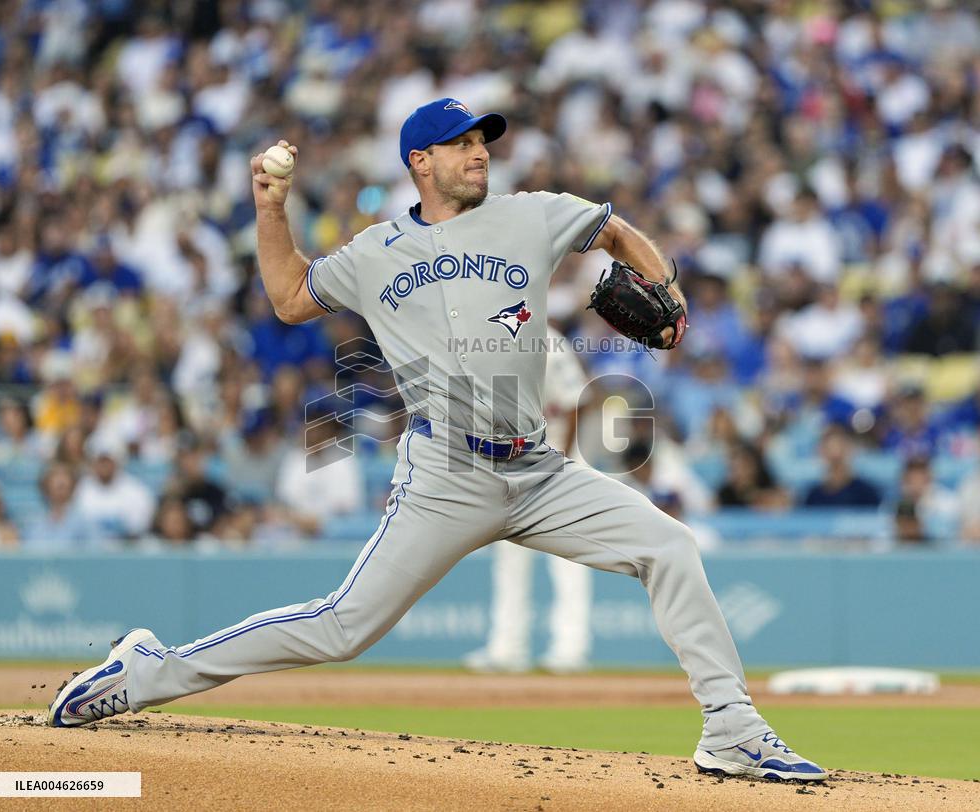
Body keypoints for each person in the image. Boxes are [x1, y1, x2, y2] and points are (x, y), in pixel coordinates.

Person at [49, 98, 825, 782]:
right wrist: (269, 207)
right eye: (460, 142)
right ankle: (153, 670)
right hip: (446, 474)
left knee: (670, 547)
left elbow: (616, 233)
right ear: (421, 161)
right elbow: (289, 298)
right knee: (342, 627)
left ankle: (730, 729)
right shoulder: (374, 252)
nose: (479, 150)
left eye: (482, 139)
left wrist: (672, 294)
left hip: (541, 471)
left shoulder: (533, 212)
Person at [463, 327, 593, 674]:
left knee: (569, 560)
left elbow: (578, 400)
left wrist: (562, 457)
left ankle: (570, 648)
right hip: (514, 470)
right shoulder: (486, 341)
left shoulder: (547, 340)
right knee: (510, 560)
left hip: (557, 467)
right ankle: (507, 648)